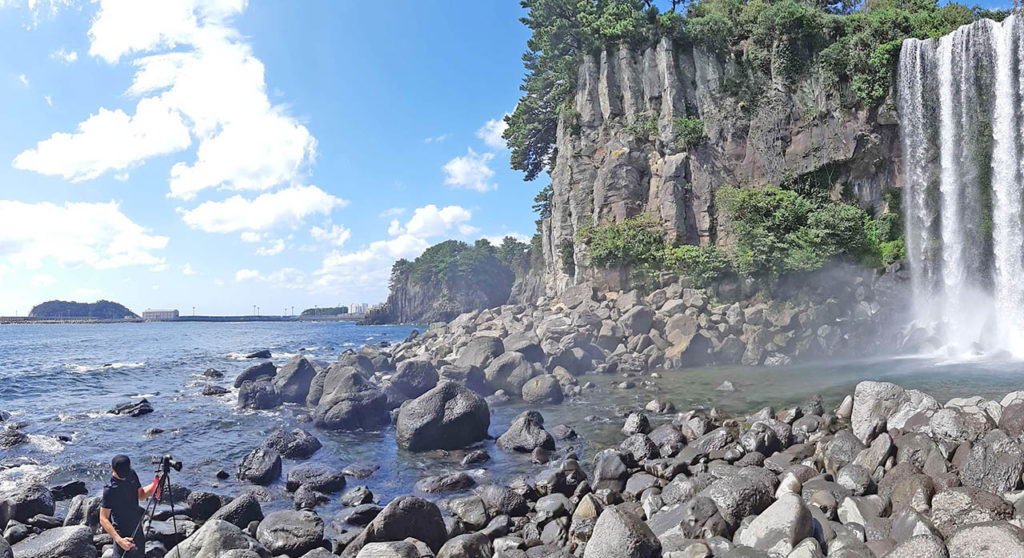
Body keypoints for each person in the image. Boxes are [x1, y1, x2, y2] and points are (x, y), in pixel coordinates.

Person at [99, 455, 160, 558]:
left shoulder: (131, 474)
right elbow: (103, 518)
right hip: (121, 532)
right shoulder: (110, 490)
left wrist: (155, 484)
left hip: (137, 527)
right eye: (121, 474)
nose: (124, 477)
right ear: (112, 469)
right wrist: (120, 541)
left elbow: (141, 495)